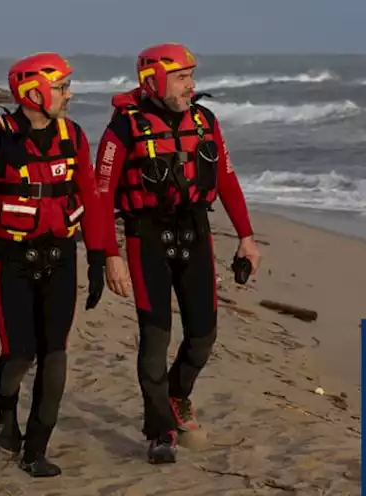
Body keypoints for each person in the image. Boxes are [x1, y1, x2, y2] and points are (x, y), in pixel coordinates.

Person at [93, 42, 262, 464]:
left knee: (203, 336)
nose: (192, 85)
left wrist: (246, 236)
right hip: (145, 234)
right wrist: (109, 255)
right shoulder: (123, 128)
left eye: (192, 77)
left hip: (195, 230)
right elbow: (100, 196)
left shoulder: (205, 121)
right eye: (182, 77)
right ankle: (159, 430)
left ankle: (178, 396)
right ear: (154, 80)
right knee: (156, 337)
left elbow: (225, 178)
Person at [0, 52, 108, 478]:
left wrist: (97, 256)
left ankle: (35, 449)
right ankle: (3, 401)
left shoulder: (73, 136)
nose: (68, 95)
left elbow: (90, 197)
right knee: (20, 354)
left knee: (55, 356)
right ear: (34, 91)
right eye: (61, 87)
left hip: (61, 258)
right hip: (10, 260)